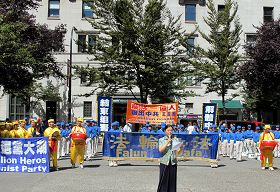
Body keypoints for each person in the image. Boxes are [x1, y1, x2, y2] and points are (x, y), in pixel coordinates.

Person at [157, 124, 181, 192]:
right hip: (164, 162)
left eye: (171, 130)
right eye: (168, 130)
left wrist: (180, 147)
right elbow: (161, 150)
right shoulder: (161, 139)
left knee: (172, 180)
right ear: (165, 131)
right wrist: (167, 142)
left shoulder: (175, 139)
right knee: (163, 180)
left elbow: (178, 152)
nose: (170, 132)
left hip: (173, 162)